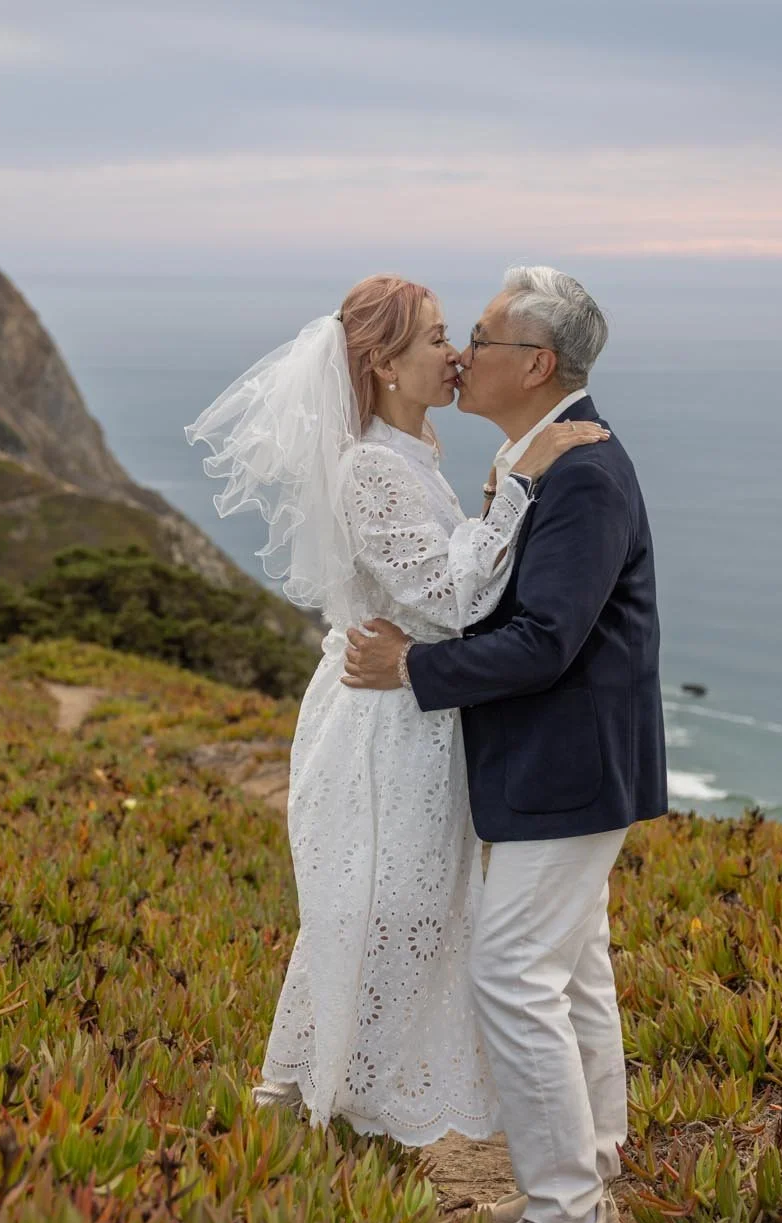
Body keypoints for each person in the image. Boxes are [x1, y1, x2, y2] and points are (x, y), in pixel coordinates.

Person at [187, 275, 606, 1150]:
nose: (454, 355)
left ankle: (351, 1110)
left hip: (418, 713)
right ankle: (341, 1109)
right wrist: (521, 483)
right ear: (382, 364)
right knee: (383, 914)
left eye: (457, 335)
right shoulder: (372, 467)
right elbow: (453, 597)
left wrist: (494, 492)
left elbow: (448, 572)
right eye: (435, 339)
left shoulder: (417, 454)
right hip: (383, 730)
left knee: (409, 916)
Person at [342, 265, 668, 1223]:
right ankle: (604, 1160)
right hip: (568, 764)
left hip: (567, 766)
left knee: (512, 973)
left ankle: (570, 1215)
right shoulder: (539, 459)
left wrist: (413, 667)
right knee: (570, 971)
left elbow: (542, 642)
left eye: (476, 339)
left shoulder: (578, 471)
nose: (458, 357)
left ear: (532, 363)